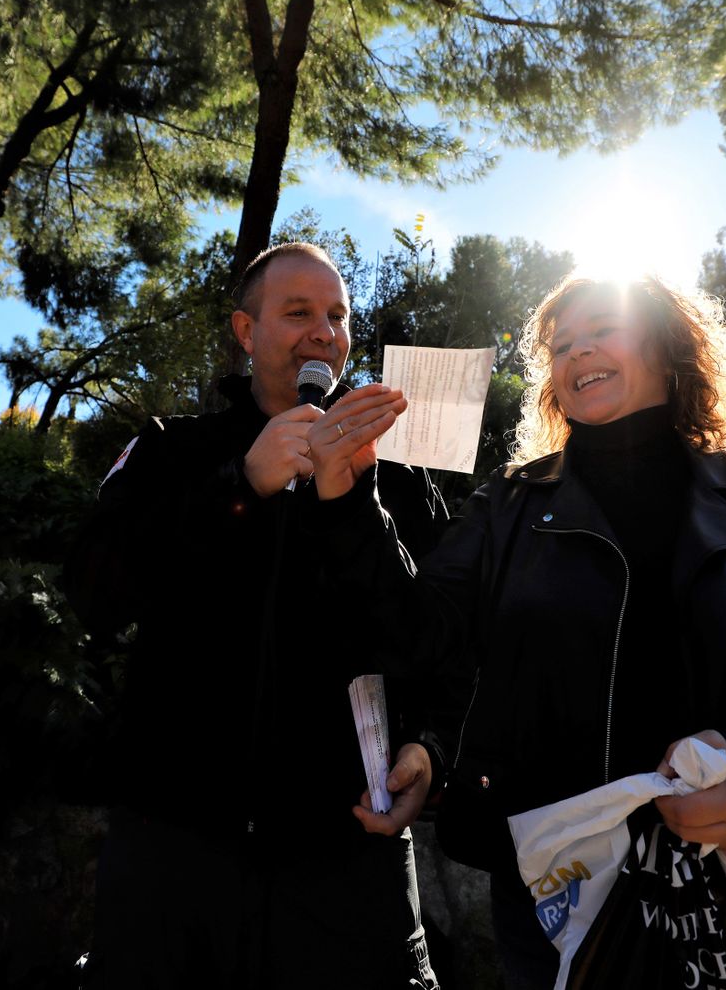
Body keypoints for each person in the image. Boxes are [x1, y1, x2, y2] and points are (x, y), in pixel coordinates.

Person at [316, 276, 726, 988]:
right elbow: (412, 641)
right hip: (561, 908)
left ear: (666, 345)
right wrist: (350, 502)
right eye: (560, 345)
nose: (577, 350)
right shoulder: (506, 504)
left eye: (602, 328)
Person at [69, 242, 449, 988]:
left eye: (337, 315)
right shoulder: (170, 450)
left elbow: (439, 642)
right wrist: (240, 485)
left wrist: (433, 747)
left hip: (344, 856)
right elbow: (93, 592)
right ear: (246, 332)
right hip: (171, 850)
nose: (324, 331)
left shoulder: (397, 476)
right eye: (298, 312)